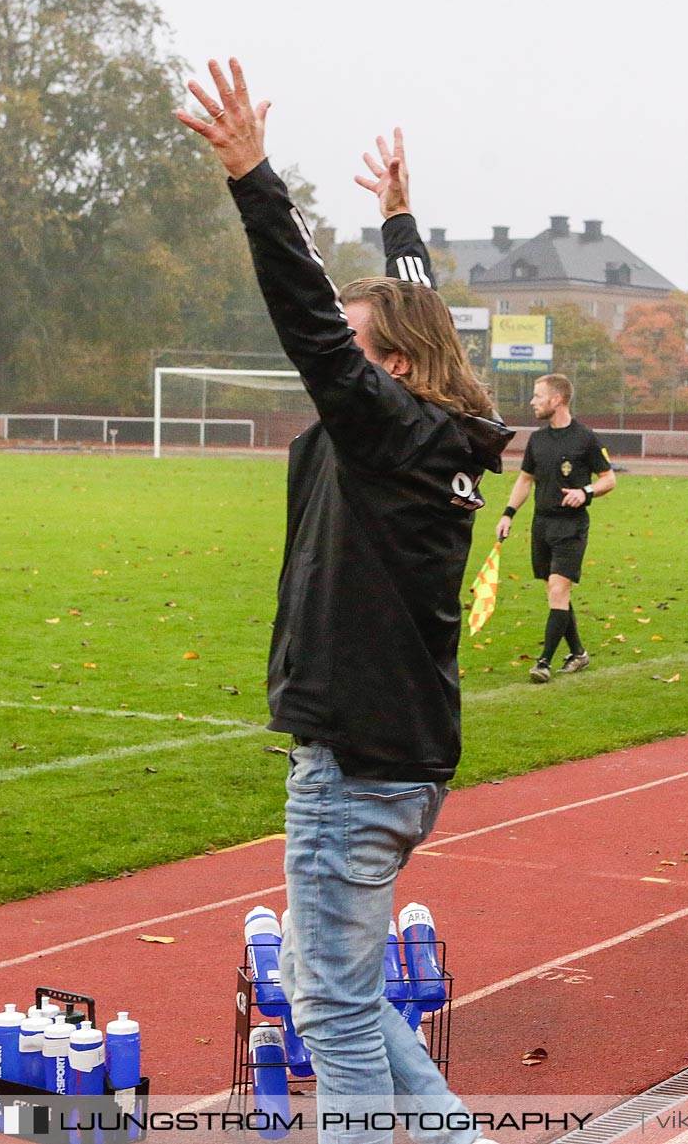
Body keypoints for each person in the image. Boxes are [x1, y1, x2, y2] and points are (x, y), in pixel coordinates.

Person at [176, 60, 510, 1144]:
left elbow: (319, 327)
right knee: (353, 999)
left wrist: (254, 182)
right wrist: (400, 224)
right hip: (407, 757)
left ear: (395, 369)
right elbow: (400, 326)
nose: (341, 376)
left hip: (355, 765)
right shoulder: (444, 434)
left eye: (364, 361)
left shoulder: (387, 433)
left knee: (329, 1012)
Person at [494, 374, 616, 682]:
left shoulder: (585, 438)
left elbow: (609, 479)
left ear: (556, 399)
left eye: (538, 395)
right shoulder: (537, 440)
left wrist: (585, 492)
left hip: (571, 526)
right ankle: (578, 654)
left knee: (559, 590)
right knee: (555, 594)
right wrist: (508, 514)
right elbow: (525, 480)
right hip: (542, 525)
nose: (532, 401)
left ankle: (544, 662)